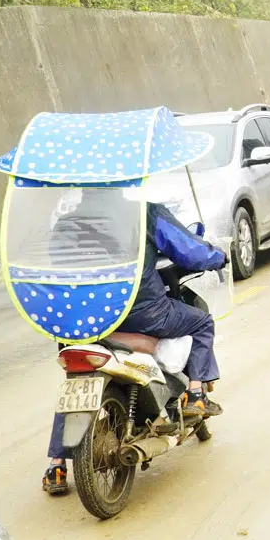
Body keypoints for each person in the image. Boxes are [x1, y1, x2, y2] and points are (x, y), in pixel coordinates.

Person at [43, 201, 228, 495]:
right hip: (142, 314)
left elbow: (55, 267)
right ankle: (196, 396)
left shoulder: (64, 224)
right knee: (201, 323)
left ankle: (56, 464)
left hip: (79, 321)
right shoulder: (144, 213)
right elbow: (189, 250)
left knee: (75, 388)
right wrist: (217, 256)